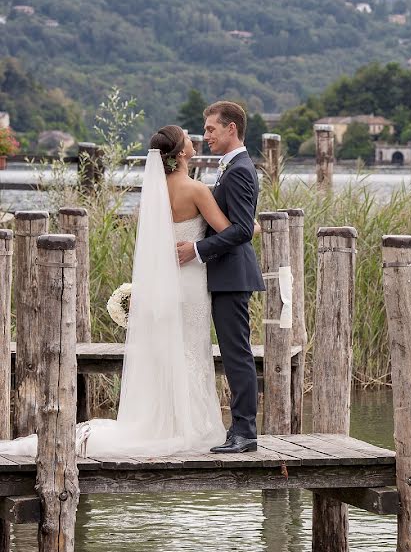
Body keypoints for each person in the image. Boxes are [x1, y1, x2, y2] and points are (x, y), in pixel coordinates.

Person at [0, 125, 234, 458]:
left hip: (163, 282)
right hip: (191, 282)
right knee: (191, 350)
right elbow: (228, 230)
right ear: (181, 152)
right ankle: (189, 425)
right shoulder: (196, 189)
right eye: (187, 138)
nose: (194, 140)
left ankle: (166, 421)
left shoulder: (156, 191)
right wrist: (250, 225)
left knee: (167, 350)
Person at [176, 101, 265, 454]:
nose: (206, 135)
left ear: (232, 129)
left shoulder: (241, 169)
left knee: (236, 354)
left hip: (232, 275)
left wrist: (197, 251)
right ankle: (239, 431)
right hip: (224, 274)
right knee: (232, 354)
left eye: (212, 129)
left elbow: (243, 230)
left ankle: (245, 433)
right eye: (205, 128)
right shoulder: (230, 167)